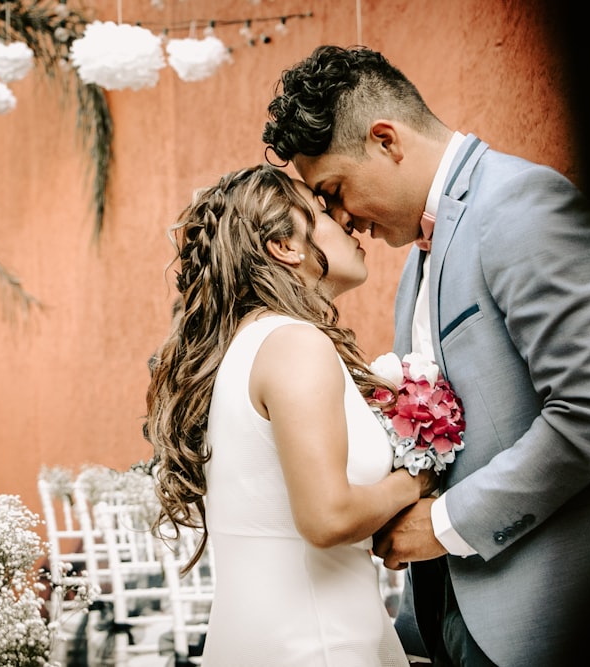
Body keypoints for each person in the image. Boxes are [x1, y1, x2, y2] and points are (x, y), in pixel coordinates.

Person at [263, 45, 590, 667]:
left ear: (386, 140)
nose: (343, 219)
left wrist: (444, 522)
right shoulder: (415, 261)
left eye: (336, 190)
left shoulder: (524, 206)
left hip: (570, 612)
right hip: (461, 618)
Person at [143, 164, 437, 667]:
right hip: (316, 644)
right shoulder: (296, 344)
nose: (347, 220)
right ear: (284, 245)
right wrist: (418, 479)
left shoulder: (249, 345)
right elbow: (326, 518)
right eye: (322, 211)